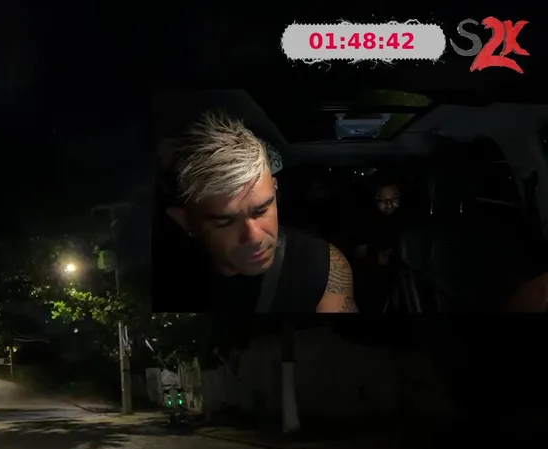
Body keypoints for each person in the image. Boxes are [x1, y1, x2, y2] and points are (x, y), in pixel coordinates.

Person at [158, 111, 357, 313]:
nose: (254, 238)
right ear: (184, 221)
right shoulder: (162, 277)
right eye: (225, 222)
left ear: (275, 189)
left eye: (261, 210)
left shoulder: (321, 264)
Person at [353, 175, 405, 312]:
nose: (389, 204)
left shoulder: (407, 220)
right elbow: (359, 255)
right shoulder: (366, 222)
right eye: (382, 200)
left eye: (394, 198)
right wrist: (376, 258)